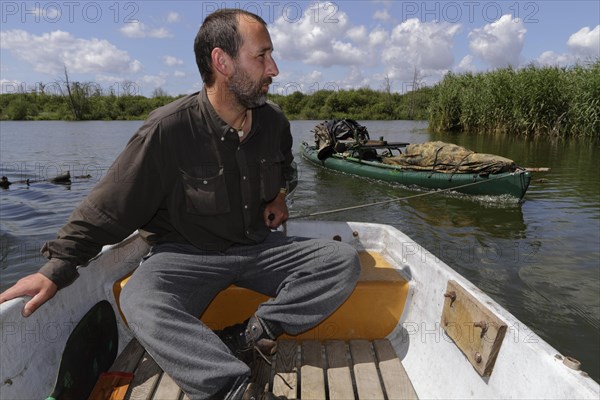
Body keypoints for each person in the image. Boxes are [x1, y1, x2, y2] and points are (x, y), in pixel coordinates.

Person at [0, 8, 361, 400]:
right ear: (221, 62)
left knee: (342, 262)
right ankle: (230, 387)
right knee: (141, 299)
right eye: (262, 56)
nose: (274, 68)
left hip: (258, 247)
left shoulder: (273, 121)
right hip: (186, 255)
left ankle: (251, 333)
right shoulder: (167, 129)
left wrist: (279, 194)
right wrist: (57, 268)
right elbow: (107, 208)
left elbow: (288, 168)